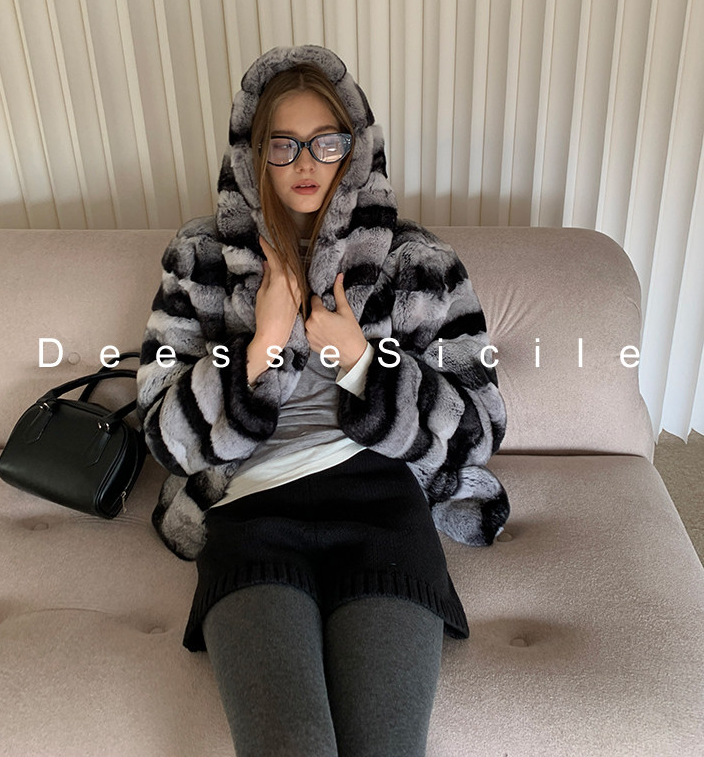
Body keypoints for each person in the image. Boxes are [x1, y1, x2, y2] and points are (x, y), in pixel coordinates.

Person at [137, 45, 509, 757]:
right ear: (254, 154)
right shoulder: (200, 258)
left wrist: (364, 364)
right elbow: (163, 435)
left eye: (325, 142)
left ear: (355, 148)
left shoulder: (419, 264)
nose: (305, 162)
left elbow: (480, 427)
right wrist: (259, 346)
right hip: (251, 512)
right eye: (283, 144)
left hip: (383, 510)